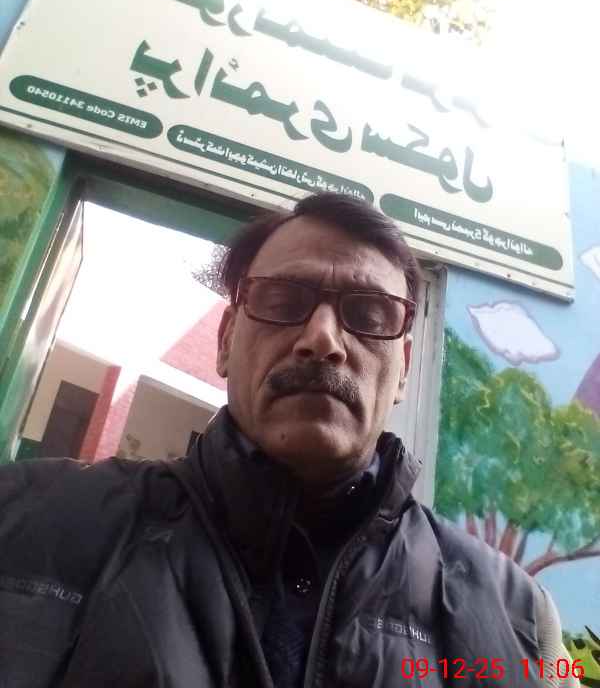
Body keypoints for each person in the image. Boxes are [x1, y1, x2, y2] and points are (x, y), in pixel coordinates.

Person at [0, 193, 578, 688]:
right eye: (283, 301)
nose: (322, 339)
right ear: (225, 341)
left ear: (403, 368)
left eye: (370, 315)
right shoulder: (23, 519)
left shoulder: (521, 618)